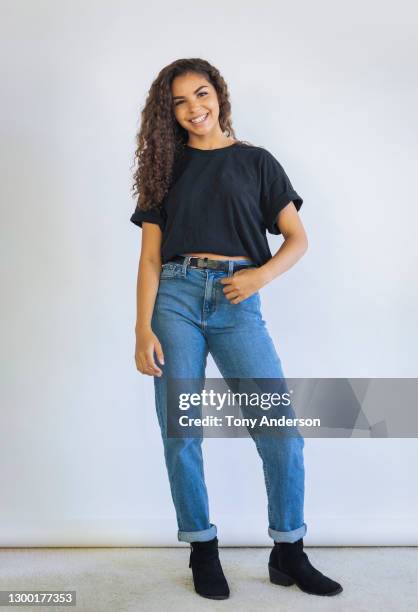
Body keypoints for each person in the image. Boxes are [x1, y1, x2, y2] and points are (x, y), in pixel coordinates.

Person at [130, 58, 343, 600]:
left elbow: (297, 238)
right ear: (169, 112)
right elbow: (151, 258)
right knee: (182, 430)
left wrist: (259, 277)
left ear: (219, 95)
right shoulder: (164, 170)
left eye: (200, 94)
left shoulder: (257, 162)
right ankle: (203, 549)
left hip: (236, 298)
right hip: (174, 299)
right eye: (179, 102)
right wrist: (140, 327)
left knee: (281, 430)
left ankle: (288, 553)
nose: (193, 108)